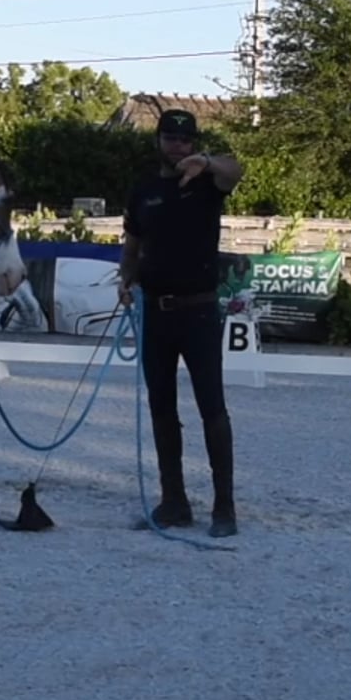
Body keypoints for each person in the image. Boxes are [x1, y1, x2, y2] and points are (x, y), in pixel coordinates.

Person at [117, 108, 244, 538]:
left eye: (186, 140)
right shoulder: (143, 191)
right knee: (162, 409)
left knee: (213, 409)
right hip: (155, 312)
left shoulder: (209, 182)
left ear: (195, 143)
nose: (178, 145)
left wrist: (205, 163)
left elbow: (237, 169)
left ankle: (224, 507)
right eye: (171, 138)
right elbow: (132, 245)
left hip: (200, 311)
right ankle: (174, 501)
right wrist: (125, 279)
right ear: (159, 141)